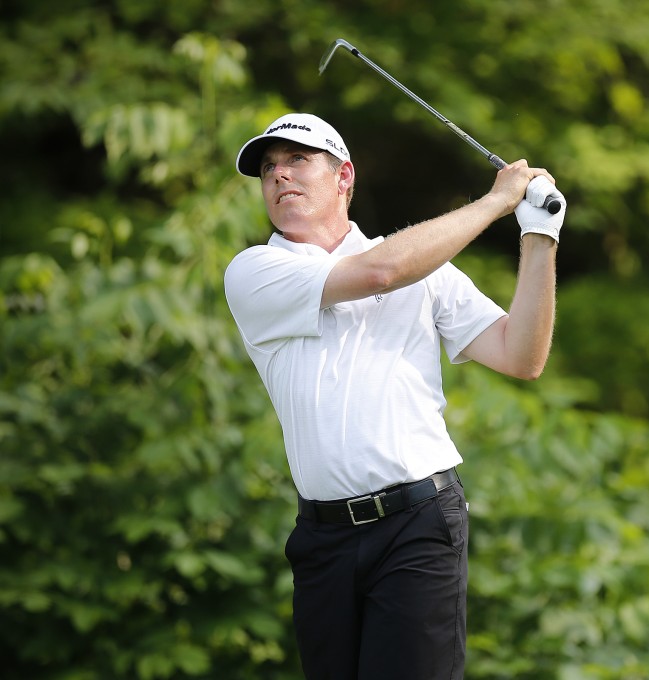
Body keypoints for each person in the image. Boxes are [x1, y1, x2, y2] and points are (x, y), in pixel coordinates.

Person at [223, 112, 565, 680]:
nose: (279, 176)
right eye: (268, 169)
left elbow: (521, 355)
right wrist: (496, 202)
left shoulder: (425, 266)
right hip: (322, 540)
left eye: (297, 161)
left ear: (344, 178)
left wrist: (539, 236)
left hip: (419, 525)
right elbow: (381, 272)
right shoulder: (256, 270)